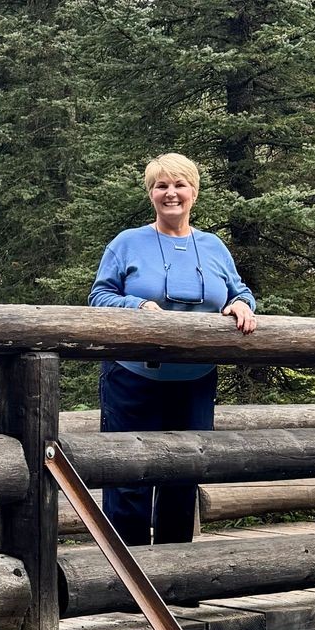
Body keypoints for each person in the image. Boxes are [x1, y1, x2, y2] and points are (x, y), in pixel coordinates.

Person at [88, 153, 256, 547]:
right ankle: (126, 582)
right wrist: (138, 306)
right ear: (151, 194)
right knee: (129, 477)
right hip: (132, 378)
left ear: (194, 192)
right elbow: (99, 296)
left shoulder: (213, 246)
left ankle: (176, 576)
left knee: (184, 474)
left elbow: (239, 290)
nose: (171, 194)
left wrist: (242, 305)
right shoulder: (127, 242)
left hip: (195, 380)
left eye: (179, 185)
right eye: (161, 186)